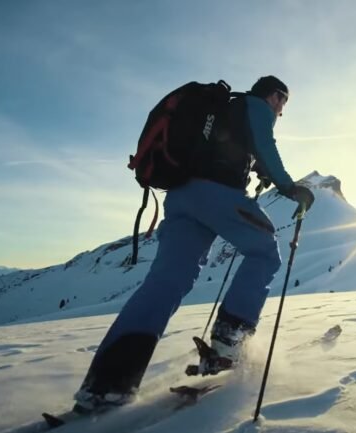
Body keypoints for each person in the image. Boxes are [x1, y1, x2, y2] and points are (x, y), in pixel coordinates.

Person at [73, 76, 314, 412]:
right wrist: (291, 187)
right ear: (274, 95)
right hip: (216, 194)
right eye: (282, 102)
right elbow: (265, 143)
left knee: (166, 283)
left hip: (181, 197)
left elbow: (229, 145)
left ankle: (107, 384)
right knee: (264, 252)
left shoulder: (224, 109)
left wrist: (254, 166)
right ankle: (230, 342)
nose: (280, 111)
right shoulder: (256, 107)